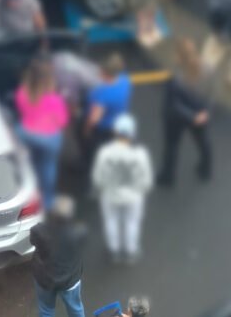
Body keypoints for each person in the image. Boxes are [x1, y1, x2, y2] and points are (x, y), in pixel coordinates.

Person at [92, 114, 153, 264]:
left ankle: (114, 249)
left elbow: (98, 177)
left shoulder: (105, 153)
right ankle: (130, 250)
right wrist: (141, 190)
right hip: (134, 197)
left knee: (111, 221)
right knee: (132, 222)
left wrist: (102, 188)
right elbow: (147, 180)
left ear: (115, 132)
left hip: (110, 195)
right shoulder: (141, 155)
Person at [14, 56, 69, 210]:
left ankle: (29, 193)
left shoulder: (22, 93)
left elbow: (21, 111)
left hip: (26, 134)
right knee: (48, 166)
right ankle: (47, 201)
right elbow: (62, 122)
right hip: (48, 139)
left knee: (28, 164)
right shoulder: (55, 99)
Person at [158, 38, 214, 187]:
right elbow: (211, 93)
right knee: (203, 142)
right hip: (200, 114)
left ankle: (167, 177)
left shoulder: (176, 78)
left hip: (177, 118)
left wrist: (191, 116)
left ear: (179, 56)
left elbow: (174, 104)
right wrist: (205, 112)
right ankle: (206, 169)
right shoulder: (208, 69)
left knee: (172, 146)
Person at [30, 195, 87, 317]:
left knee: (46, 310)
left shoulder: (38, 230)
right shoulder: (78, 231)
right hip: (70, 280)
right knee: (75, 309)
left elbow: (33, 241)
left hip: (44, 279)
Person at [84, 53, 132, 158]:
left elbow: (94, 119)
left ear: (106, 73)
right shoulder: (125, 80)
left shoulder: (103, 93)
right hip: (116, 126)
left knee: (93, 154)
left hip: (102, 131)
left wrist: (87, 129)